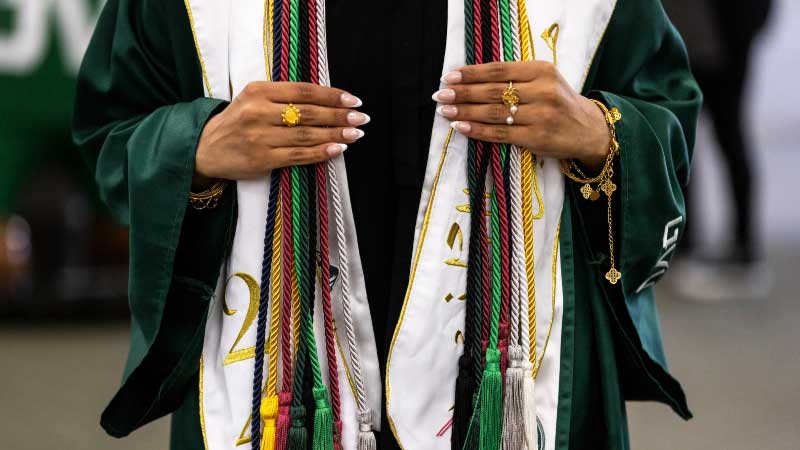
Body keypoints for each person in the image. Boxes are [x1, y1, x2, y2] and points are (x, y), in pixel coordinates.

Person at [72, 0, 700, 449]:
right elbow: (113, 129)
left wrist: (597, 132)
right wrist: (200, 146)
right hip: (281, 391)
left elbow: (665, 115)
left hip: (509, 378)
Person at [662, 0, 773, 302]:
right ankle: (685, 245)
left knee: (730, 139)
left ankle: (745, 248)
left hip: (725, 45)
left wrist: (745, 34)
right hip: (685, 44)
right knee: (683, 145)